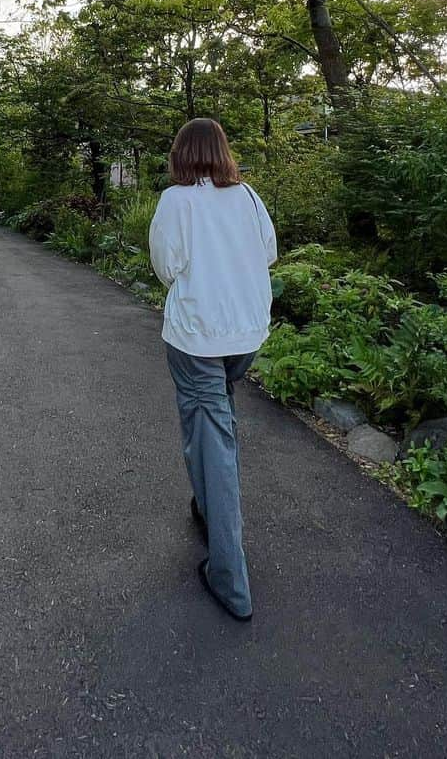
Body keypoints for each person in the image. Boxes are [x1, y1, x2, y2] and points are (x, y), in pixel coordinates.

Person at [148, 117, 277, 621]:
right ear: (223, 152)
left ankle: (229, 580)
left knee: (213, 437)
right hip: (246, 335)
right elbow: (267, 255)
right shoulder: (248, 198)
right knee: (211, 426)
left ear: (181, 154)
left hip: (198, 337)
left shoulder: (176, 201)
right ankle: (205, 509)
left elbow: (167, 267)